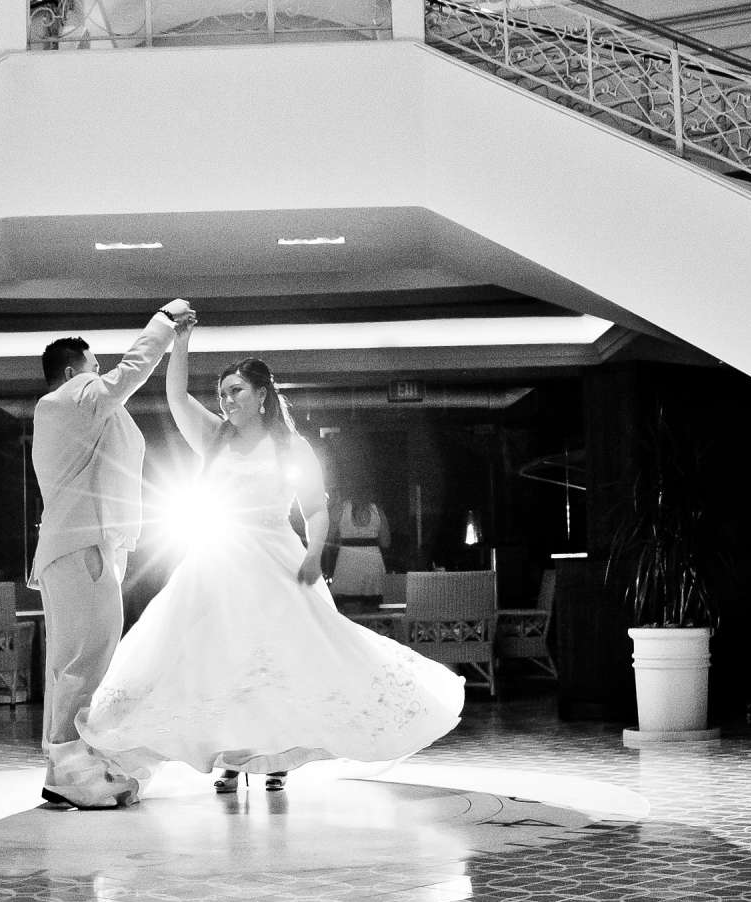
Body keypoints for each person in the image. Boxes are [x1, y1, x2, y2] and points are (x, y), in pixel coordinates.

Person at [80, 315, 464, 792]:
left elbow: (316, 511)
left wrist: (314, 555)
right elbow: (176, 398)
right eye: (223, 393)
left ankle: (273, 757)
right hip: (216, 563)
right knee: (221, 659)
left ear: (262, 395)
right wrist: (182, 342)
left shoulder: (291, 447)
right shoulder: (213, 437)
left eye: (236, 390)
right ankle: (231, 757)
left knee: (277, 661)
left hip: (275, 561)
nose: (227, 400)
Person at [30, 299, 194, 809]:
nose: (100, 372)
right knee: (89, 655)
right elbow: (130, 371)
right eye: (91, 366)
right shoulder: (71, 400)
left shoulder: (71, 415)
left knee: (69, 661)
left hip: (73, 547)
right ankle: (71, 766)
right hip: (82, 547)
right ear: (70, 372)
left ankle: (64, 766)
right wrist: (165, 323)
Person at [328, 484, 390, 601]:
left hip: (347, 562)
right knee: (373, 604)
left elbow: (328, 538)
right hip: (372, 562)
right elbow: (386, 542)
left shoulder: (339, 509)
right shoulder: (378, 511)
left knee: (347, 604)